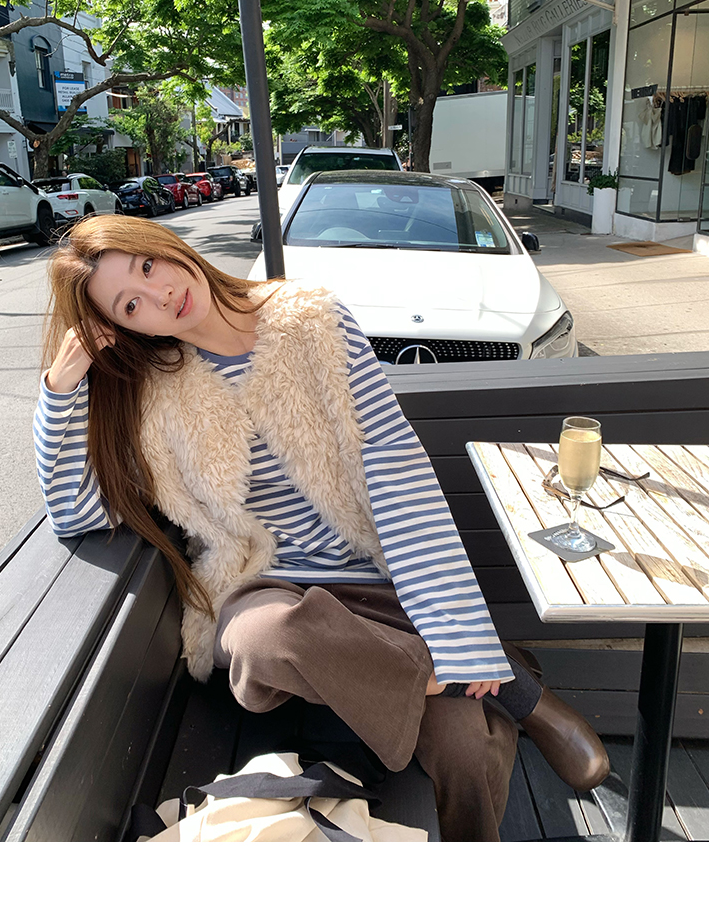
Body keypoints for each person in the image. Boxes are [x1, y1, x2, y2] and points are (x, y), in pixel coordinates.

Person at [34, 215, 609, 842]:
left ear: (164, 246)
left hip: (369, 579)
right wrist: (59, 390)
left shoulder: (311, 320)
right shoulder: (152, 395)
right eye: (130, 305)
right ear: (125, 329)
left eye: (147, 267)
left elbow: (395, 470)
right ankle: (513, 691)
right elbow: (75, 511)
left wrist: (455, 628)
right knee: (266, 638)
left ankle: (487, 743)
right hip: (263, 585)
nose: (160, 293)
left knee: (465, 743)